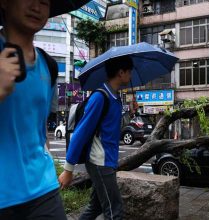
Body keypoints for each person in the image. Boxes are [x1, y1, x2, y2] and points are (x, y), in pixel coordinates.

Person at [0, 0, 70, 219]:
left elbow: (39, 133)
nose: (37, 7)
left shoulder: (48, 66)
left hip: (43, 189)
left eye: (45, 2)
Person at [59, 55, 133, 220]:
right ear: (121, 72)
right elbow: (81, 132)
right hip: (100, 161)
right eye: (129, 72)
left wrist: (129, 113)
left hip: (108, 160)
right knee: (115, 211)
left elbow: (111, 130)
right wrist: (68, 169)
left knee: (96, 206)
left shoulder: (116, 98)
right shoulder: (100, 97)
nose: (131, 76)